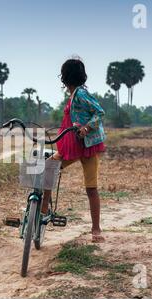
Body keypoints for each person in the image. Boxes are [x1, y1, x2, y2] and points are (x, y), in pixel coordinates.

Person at [41, 58, 107, 243]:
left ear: (64, 78)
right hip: (71, 145)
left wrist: (87, 128)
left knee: (91, 188)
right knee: (49, 167)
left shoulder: (80, 94)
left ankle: (96, 229)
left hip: (86, 146)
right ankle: (43, 209)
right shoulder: (74, 95)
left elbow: (100, 112)